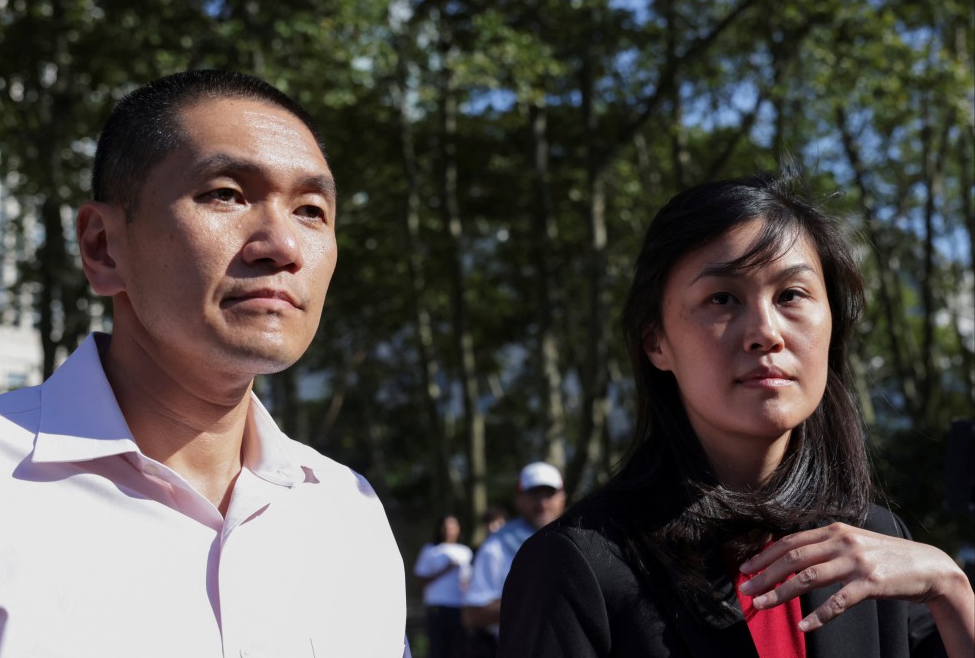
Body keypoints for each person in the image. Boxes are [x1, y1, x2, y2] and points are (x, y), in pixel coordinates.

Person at [0, 70, 408, 657]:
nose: (283, 245)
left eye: (311, 210)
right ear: (101, 246)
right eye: (226, 194)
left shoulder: (349, 515)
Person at [499, 167, 975, 658]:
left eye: (791, 295)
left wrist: (953, 591)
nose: (766, 332)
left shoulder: (875, 547)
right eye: (722, 299)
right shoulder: (577, 568)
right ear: (655, 342)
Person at [462, 462, 566, 656]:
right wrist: (538, 599)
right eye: (534, 495)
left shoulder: (585, 541)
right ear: (518, 499)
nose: (542, 503)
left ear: (563, 497)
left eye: (549, 494)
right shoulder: (496, 546)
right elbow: (472, 615)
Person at [413, 515, 473, 658]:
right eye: (446, 528)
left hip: (459, 607)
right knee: (438, 649)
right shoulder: (430, 550)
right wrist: (445, 570)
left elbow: (469, 581)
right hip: (437, 606)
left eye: (452, 528)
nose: (449, 531)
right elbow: (420, 580)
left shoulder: (465, 552)